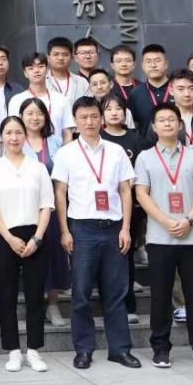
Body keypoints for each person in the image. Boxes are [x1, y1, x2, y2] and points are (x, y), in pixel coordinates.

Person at [53, 97, 140, 370]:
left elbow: (125, 190)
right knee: (81, 293)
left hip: (114, 227)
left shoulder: (116, 151)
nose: (89, 122)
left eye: (93, 116)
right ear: (75, 121)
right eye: (83, 117)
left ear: (101, 118)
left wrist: (126, 228)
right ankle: (83, 350)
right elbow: (60, 193)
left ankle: (120, 349)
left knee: (116, 292)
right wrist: (65, 230)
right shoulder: (66, 153)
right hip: (82, 228)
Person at [135, 104, 193, 369]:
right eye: (161, 120)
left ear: (180, 125)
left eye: (172, 119)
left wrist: (190, 220)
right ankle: (161, 348)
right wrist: (165, 221)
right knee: (160, 296)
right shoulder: (145, 158)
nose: (167, 124)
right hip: (159, 238)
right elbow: (141, 194)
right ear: (154, 126)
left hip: (192, 237)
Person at [0, 116, 54, 372]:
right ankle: (13, 351)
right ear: (1, 137)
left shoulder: (38, 168)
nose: (14, 137)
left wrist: (38, 237)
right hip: (5, 237)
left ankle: (34, 350)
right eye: (9, 132)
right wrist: (9, 237)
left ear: (26, 136)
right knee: (7, 296)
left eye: (18, 132)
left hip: (35, 236)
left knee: (35, 296)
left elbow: (47, 205)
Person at [100, 93, 151, 323]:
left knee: (126, 255)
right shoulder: (98, 138)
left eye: (118, 108)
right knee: (105, 258)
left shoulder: (137, 140)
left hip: (132, 205)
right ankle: (107, 305)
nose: (114, 113)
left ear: (125, 112)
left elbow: (144, 171)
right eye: (108, 108)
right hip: (103, 206)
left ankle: (128, 306)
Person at [19, 98, 70, 327]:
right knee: (31, 255)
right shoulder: (16, 141)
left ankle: (53, 305)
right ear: (21, 117)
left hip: (53, 208)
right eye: (29, 113)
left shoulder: (56, 142)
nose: (34, 118)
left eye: (39, 113)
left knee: (53, 256)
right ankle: (33, 305)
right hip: (26, 208)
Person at [9, 53, 74, 139]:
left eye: (40, 66)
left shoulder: (61, 99)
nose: (36, 71)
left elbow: (67, 132)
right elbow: (14, 130)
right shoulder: (16, 100)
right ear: (25, 73)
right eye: (31, 68)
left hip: (58, 147)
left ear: (47, 70)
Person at [130, 44, 172, 135]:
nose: (153, 65)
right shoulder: (135, 94)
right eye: (148, 61)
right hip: (146, 143)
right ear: (142, 66)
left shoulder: (178, 90)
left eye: (157, 61)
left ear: (166, 64)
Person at [108, 44, 140, 110]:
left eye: (128, 60)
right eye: (118, 61)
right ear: (112, 65)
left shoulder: (143, 87)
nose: (124, 64)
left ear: (134, 64)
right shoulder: (107, 88)